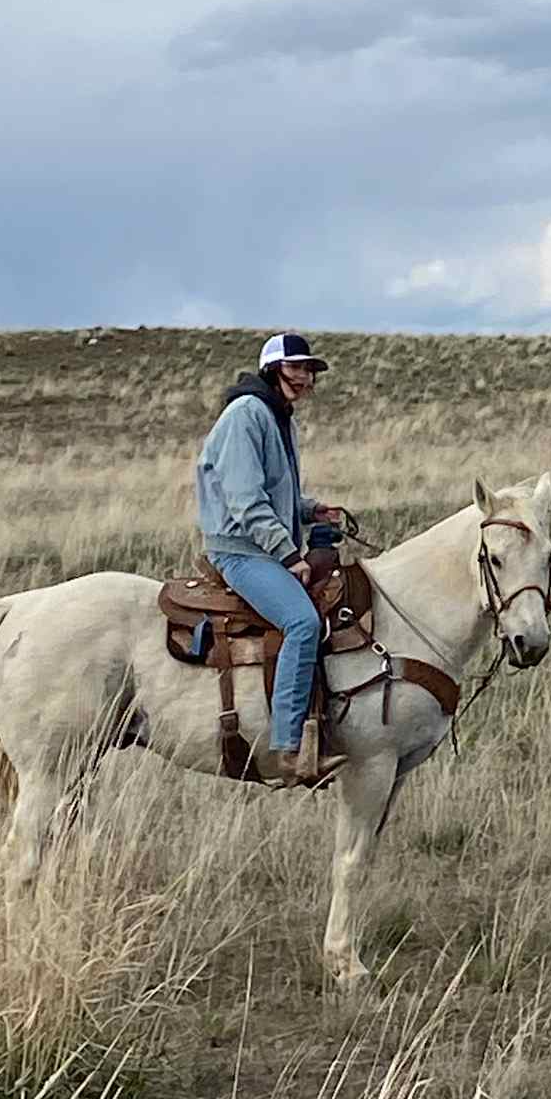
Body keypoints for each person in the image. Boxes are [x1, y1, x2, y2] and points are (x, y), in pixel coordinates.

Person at [196, 333, 348, 782]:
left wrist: (309, 509)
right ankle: (289, 748)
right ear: (272, 370)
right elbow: (244, 499)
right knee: (302, 622)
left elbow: (272, 490)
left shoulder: (280, 418)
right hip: (241, 550)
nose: (305, 378)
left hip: (260, 544)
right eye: (296, 368)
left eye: (310, 371)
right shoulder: (247, 414)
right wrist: (287, 554)